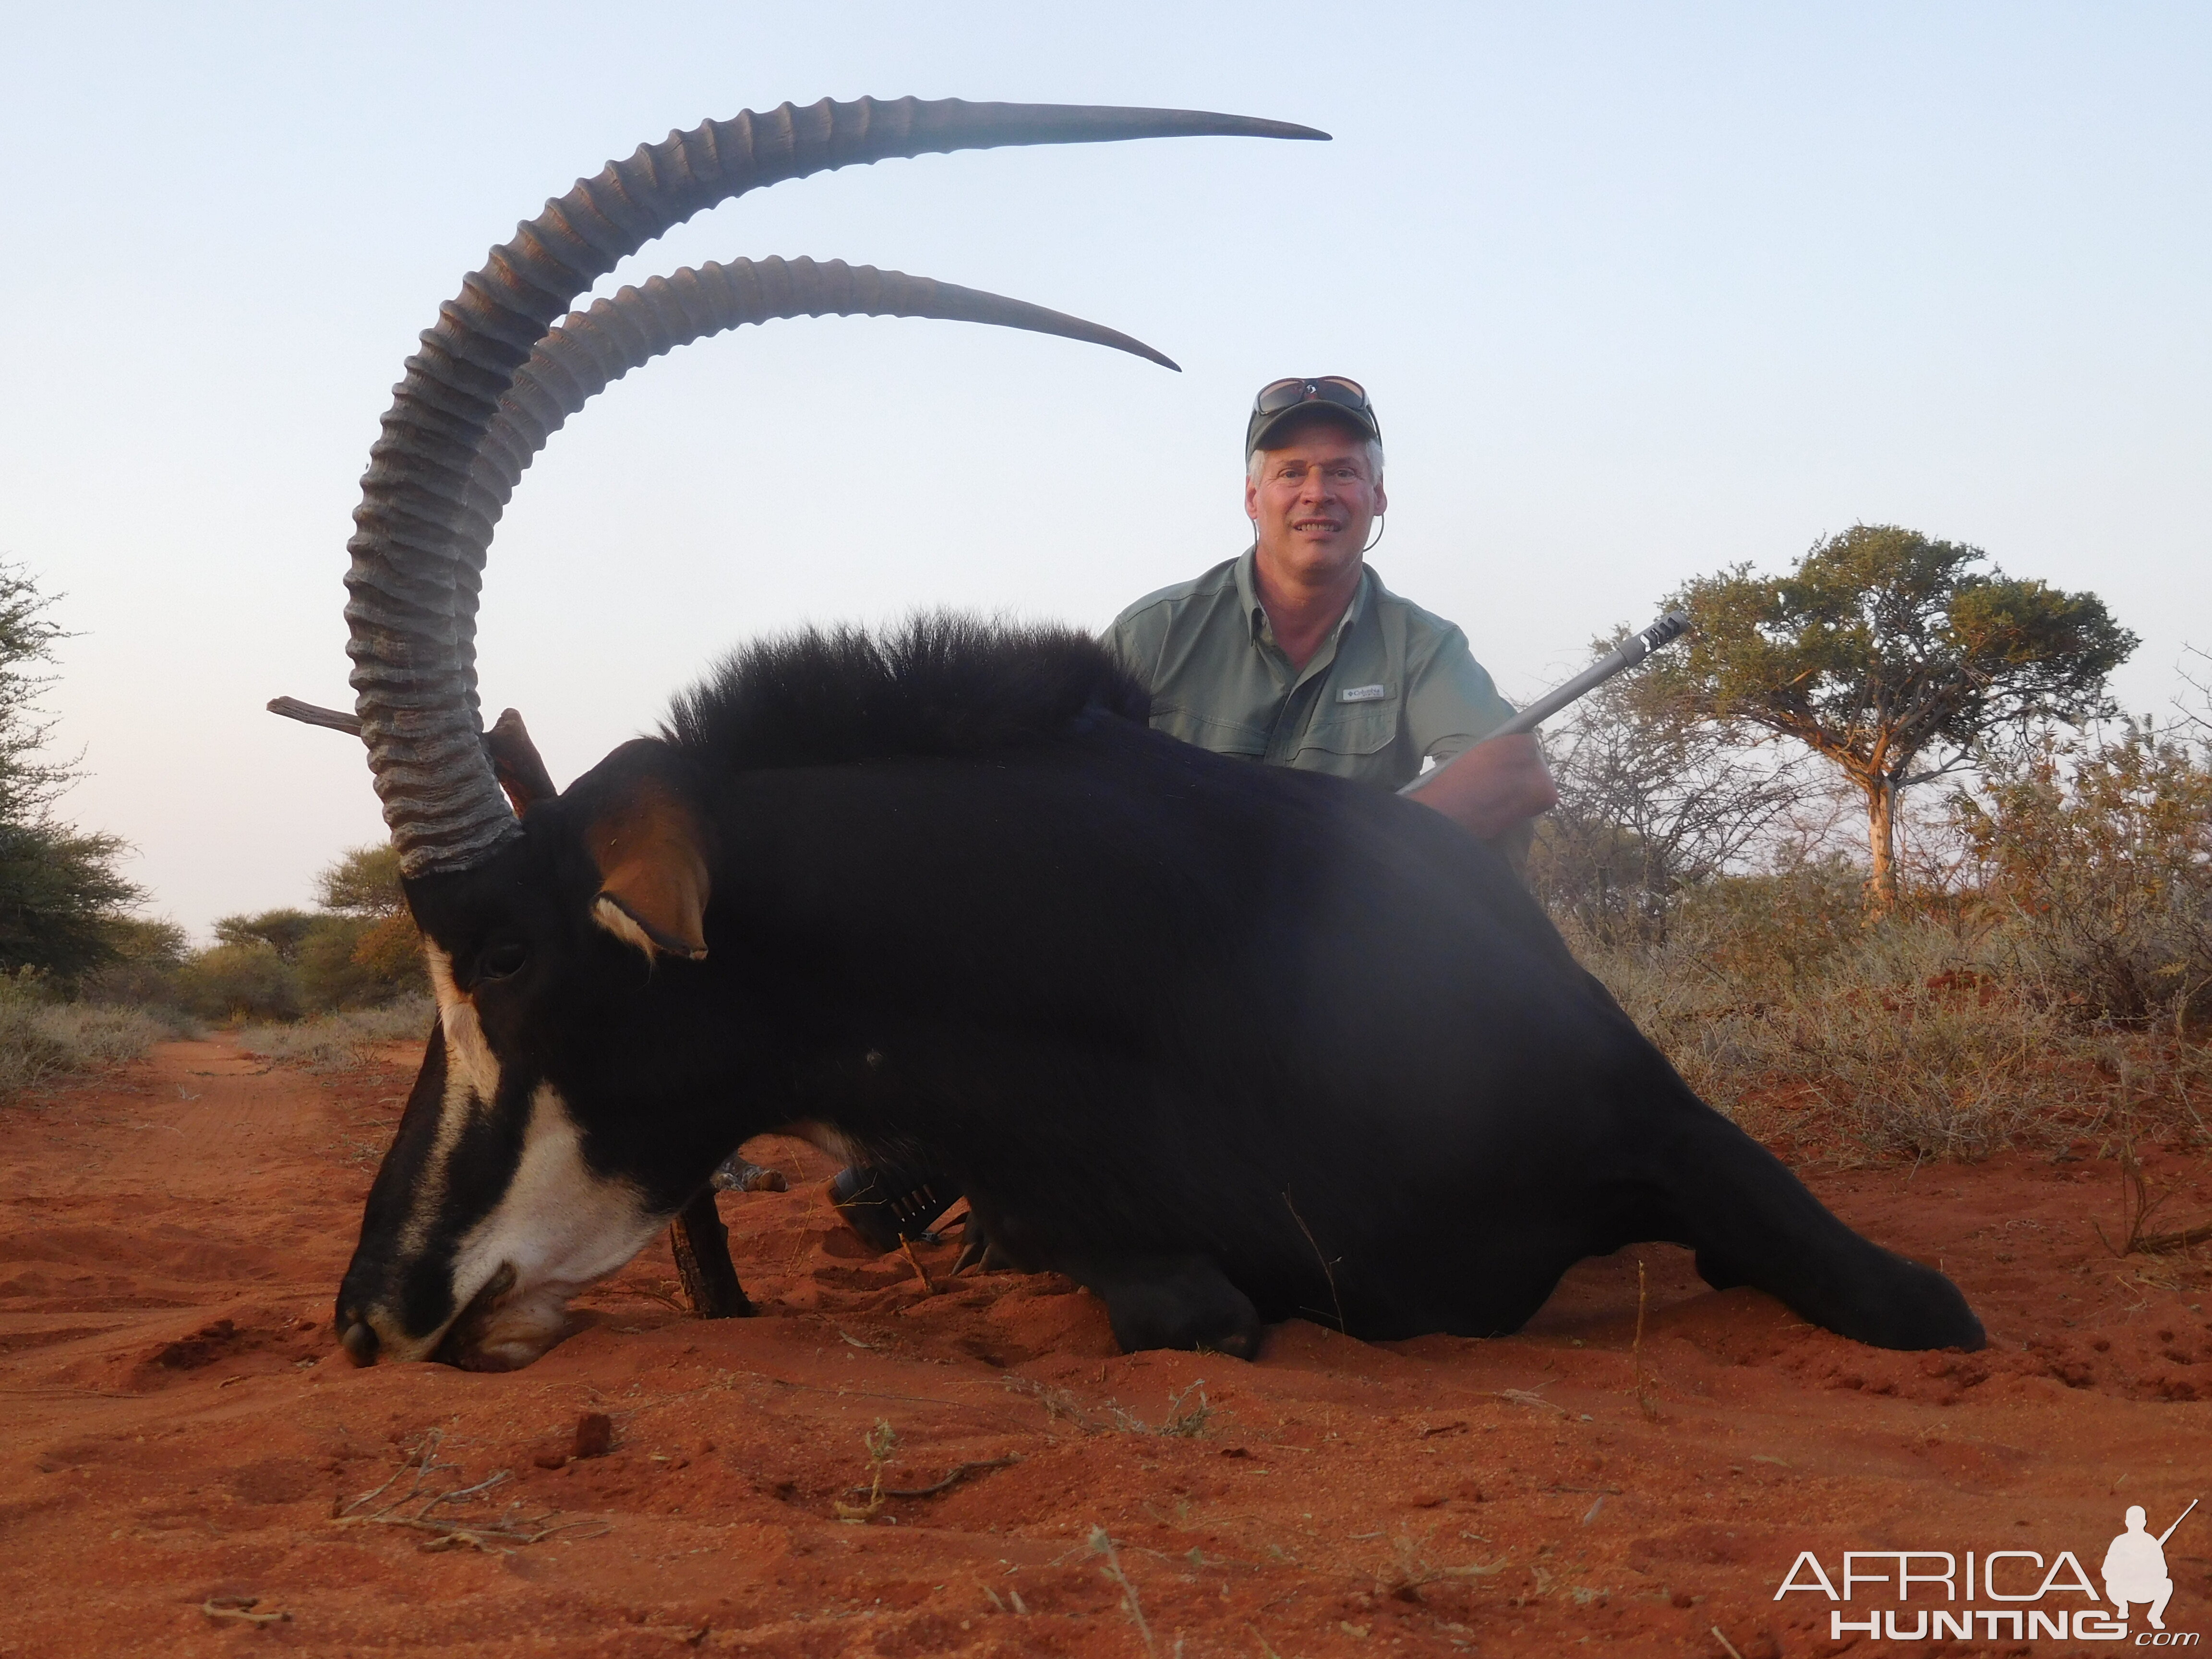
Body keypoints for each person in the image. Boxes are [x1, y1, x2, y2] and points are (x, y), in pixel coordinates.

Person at [1103, 374, 1556, 846]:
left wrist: (1348, 861)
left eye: (1343, 472)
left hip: (1347, 913)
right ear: (1253, 498)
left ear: (1377, 495)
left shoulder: (1421, 645)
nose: (1317, 493)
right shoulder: (1152, 635)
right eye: (1292, 472)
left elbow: (1517, 774)